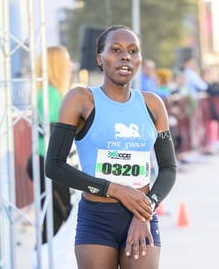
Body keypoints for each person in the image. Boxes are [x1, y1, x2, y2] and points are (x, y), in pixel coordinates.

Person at [45, 25, 177, 269]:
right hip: (97, 219)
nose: (125, 56)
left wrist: (146, 209)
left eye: (133, 50)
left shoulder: (153, 104)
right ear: (100, 58)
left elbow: (169, 167)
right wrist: (115, 189)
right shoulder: (81, 100)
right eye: (116, 50)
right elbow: (54, 166)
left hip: (142, 216)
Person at [26, 45, 73, 244]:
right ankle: (42, 259)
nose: (70, 66)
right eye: (67, 61)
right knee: (59, 216)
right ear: (58, 65)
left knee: (55, 217)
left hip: (47, 161)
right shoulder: (51, 94)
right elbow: (53, 130)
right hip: (48, 162)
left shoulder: (49, 92)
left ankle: (43, 258)